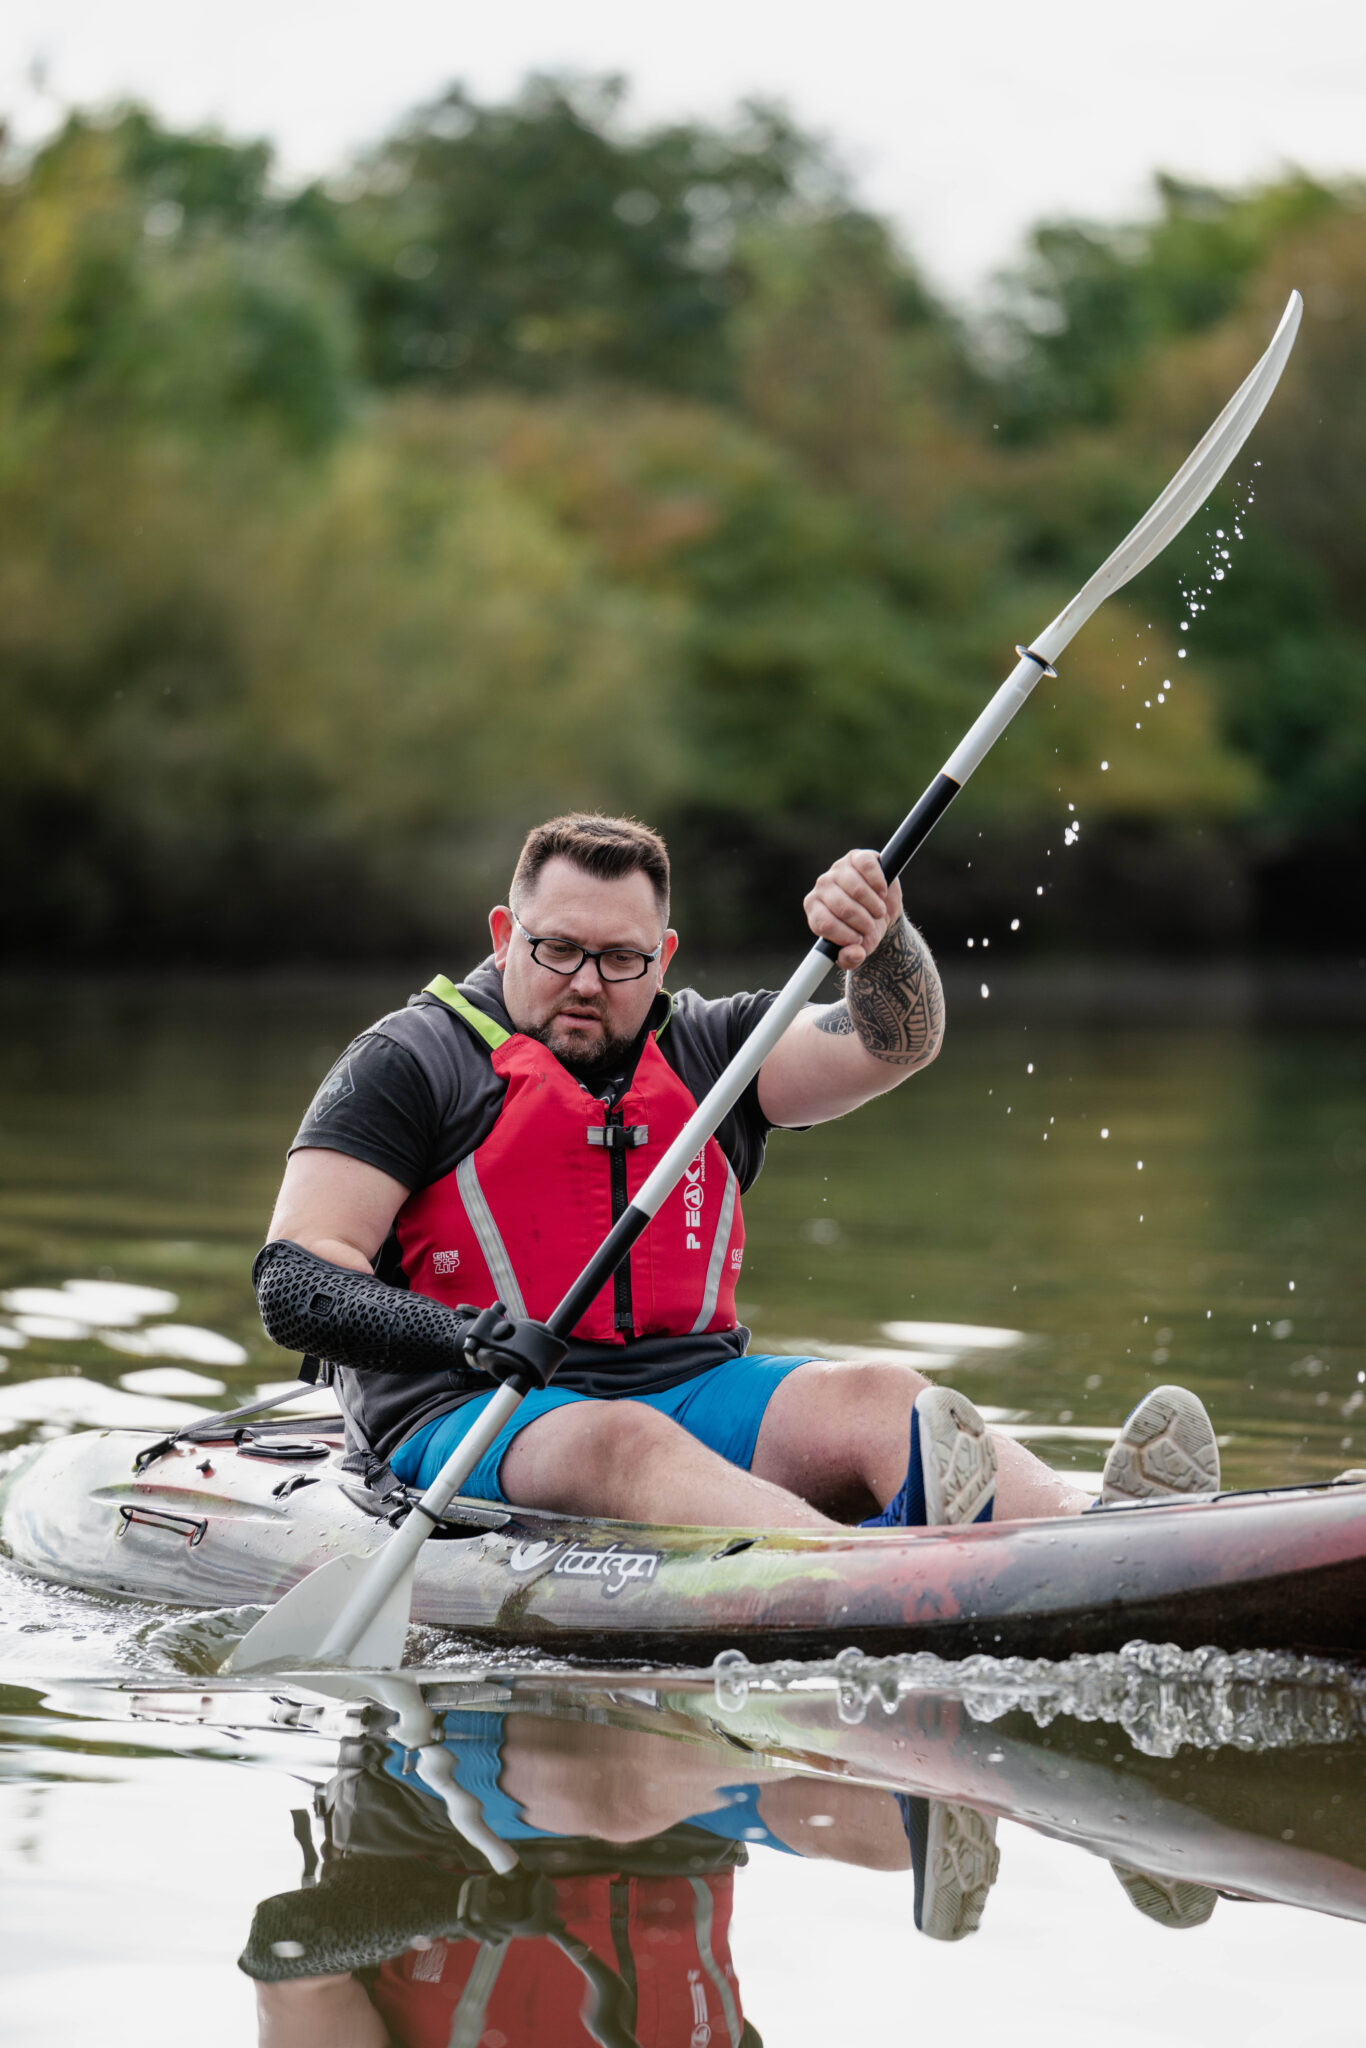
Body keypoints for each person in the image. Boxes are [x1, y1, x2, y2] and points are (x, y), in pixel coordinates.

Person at [254, 812, 1219, 1528]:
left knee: (885, 1396)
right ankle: (881, 1581)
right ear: (506, 936)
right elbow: (294, 1279)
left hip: (690, 1393)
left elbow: (897, 1043)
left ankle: (1095, 1541)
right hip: (466, 1411)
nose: (586, 981)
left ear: (663, 957)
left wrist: (880, 945)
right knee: (623, 1441)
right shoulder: (408, 1062)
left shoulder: (711, 1051)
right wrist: (461, 1335)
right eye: (557, 949)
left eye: (621, 959)